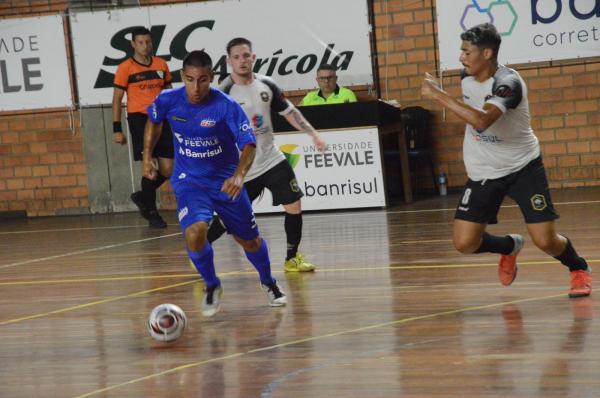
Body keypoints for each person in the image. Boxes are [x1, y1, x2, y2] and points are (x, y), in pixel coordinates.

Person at [421, 23, 591, 298]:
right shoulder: (466, 77)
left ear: (487, 53)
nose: (461, 57)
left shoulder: (508, 84)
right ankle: (509, 246)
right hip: (484, 171)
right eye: (461, 50)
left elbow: (482, 120)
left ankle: (578, 268)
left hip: (523, 167)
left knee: (545, 240)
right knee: (464, 243)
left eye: (467, 51)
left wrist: (438, 95)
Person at [143, 50, 286, 316]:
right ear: (182, 77)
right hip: (190, 181)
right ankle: (212, 284)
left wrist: (239, 176)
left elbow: (248, 144)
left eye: (202, 80)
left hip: (225, 182)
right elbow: (154, 120)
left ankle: (268, 282)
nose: (195, 87)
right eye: (189, 79)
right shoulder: (168, 100)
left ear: (211, 78)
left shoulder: (225, 106)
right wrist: (147, 156)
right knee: (195, 233)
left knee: (250, 241)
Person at [206, 37, 327, 273]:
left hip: (272, 159)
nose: (242, 61)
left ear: (253, 57)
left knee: (294, 203)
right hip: (243, 166)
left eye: (246, 56)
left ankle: (291, 258)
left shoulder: (267, 84)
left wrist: (313, 135)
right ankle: (201, 248)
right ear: (229, 61)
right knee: (228, 218)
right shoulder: (224, 92)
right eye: (236, 57)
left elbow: (289, 112)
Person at [112, 27, 173, 228]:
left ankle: (142, 196)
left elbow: (169, 93)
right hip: (139, 119)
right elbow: (117, 98)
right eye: (140, 42)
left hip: (162, 119)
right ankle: (152, 213)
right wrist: (116, 128)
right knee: (151, 168)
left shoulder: (161, 64)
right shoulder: (125, 68)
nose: (145, 46)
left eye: (148, 42)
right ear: (133, 44)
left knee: (168, 168)